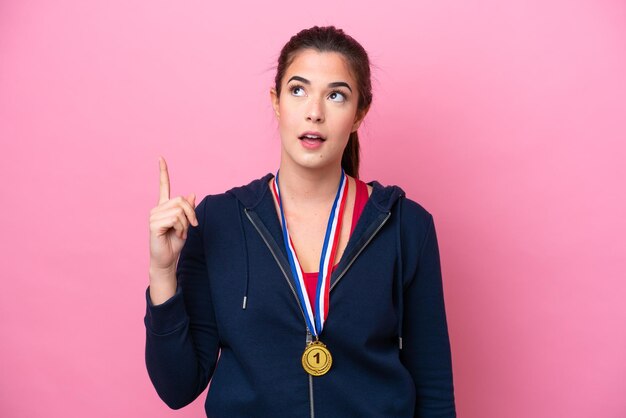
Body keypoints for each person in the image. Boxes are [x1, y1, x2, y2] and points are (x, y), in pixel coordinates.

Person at [145, 25, 456, 417]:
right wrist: (162, 272)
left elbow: (434, 391)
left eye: (336, 96)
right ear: (276, 102)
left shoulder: (406, 226)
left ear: (360, 113)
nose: (314, 111)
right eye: (298, 90)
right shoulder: (218, 220)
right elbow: (177, 386)